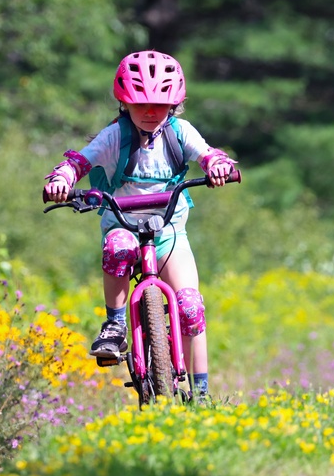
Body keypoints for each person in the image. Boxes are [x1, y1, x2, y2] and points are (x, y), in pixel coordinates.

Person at [43, 50, 236, 397]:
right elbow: (79, 162)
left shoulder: (180, 133)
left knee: (191, 308)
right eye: (140, 104)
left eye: (160, 106)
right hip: (122, 224)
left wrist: (217, 166)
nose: (150, 113)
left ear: (174, 106)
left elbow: (207, 154)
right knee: (118, 249)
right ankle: (115, 326)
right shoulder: (115, 136)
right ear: (124, 103)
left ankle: (203, 397)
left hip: (168, 232)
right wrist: (62, 179)